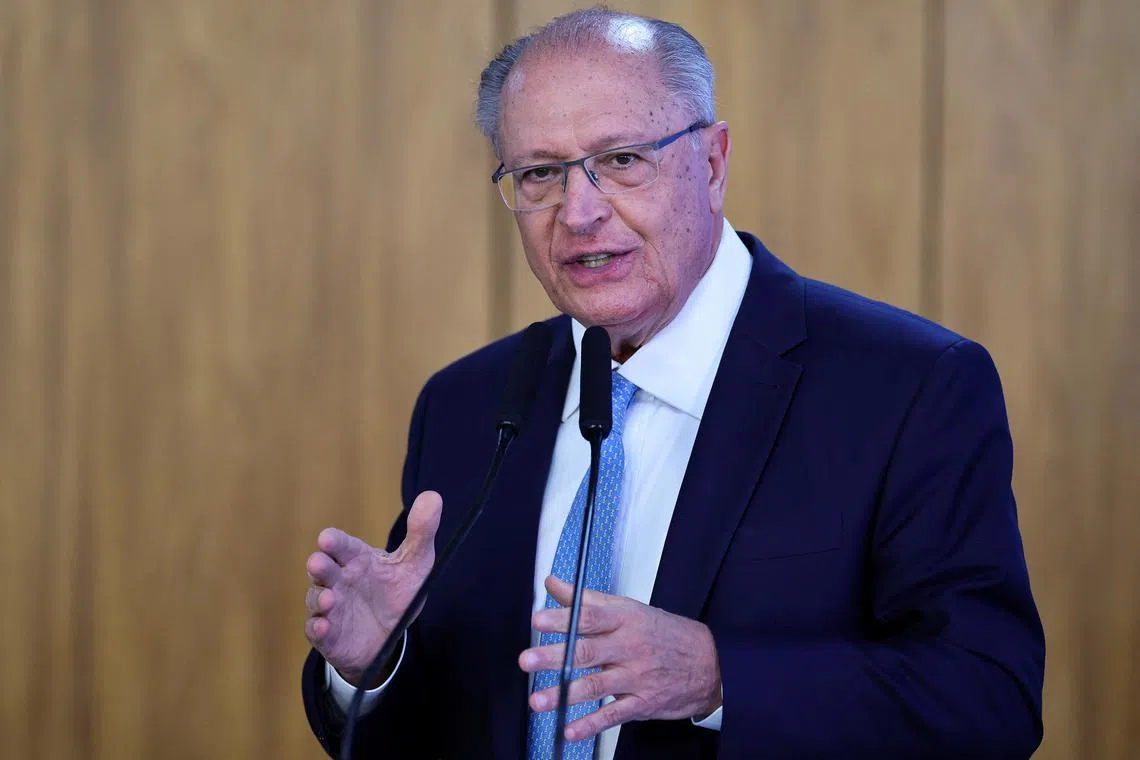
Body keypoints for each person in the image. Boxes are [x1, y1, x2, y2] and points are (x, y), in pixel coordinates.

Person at [300, 9, 1045, 760]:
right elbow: (437, 726)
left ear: (714, 163)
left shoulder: (908, 389)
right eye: (539, 173)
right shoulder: (467, 405)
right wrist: (374, 667)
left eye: (621, 159)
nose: (580, 212)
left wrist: (723, 679)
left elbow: (990, 701)